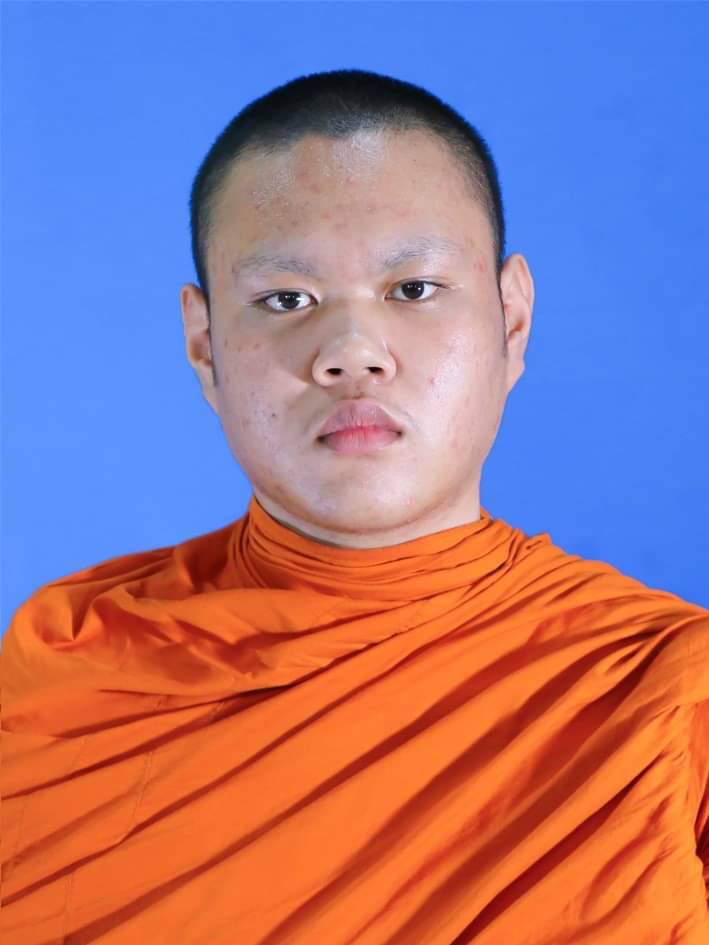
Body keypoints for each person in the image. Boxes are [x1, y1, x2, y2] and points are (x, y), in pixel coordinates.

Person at [2, 68, 707, 945]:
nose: (350, 351)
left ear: (511, 320)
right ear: (204, 346)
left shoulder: (663, 690)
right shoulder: (70, 671)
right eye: (285, 300)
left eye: (412, 289)